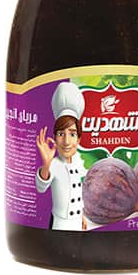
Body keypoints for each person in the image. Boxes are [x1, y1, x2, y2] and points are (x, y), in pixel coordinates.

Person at [35, 82, 87, 231]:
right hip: (59, 223)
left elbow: (78, 195)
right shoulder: (54, 164)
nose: (66, 141)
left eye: (72, 134)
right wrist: (46, 163)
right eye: (61, 134)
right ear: (55, 138)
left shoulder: (80, 163)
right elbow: (41, 187)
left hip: (77, 222)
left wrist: (82, 216)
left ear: (79, 139)